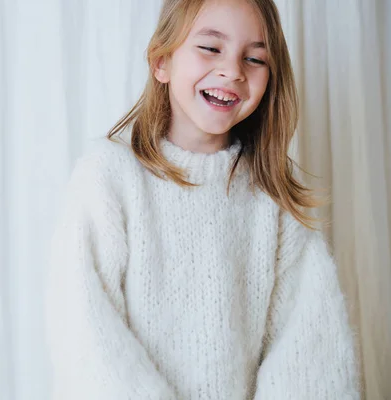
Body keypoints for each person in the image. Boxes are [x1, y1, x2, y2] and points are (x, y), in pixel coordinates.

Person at [44, 0, 361, 398]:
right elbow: (83, 328)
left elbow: (311, 348)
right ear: (162, 61)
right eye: (211, 48)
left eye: (255, 58)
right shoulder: (109, 177)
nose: (233, 70)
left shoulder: (273, 193)